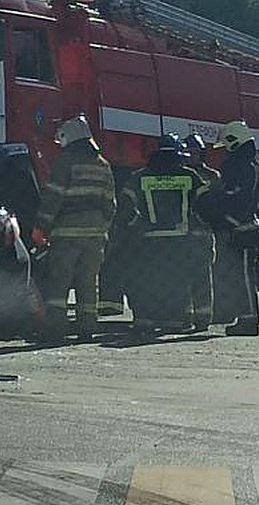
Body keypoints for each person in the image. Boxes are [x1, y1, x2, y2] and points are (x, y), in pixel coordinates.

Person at [31, 114, 117, 341]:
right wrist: (102, 229)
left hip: (67, 233)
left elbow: (53, 197)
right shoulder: (103, 165)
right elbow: (110, 203)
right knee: (88, 282)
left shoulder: (65, 162)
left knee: (59, 282)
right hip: (96, 234)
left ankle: (55, 329)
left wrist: (41, 227)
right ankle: (87, 328)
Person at [118, 134, 212, 335]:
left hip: (149, 240)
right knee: (178, 280)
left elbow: (124, 206)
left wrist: (136, 224)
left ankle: (147, 319)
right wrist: (203, 224)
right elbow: (207, 204)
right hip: (181, 239)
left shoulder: (140, 177)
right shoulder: (190, 176)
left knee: (150, 279)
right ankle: (178, 320)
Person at [197, 120, 259, 336]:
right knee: (239, 276)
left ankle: (248, 321)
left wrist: (214, 201)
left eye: (227, 145)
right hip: (241, 228)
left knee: (244, 277)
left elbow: (238, 198)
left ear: (234, 141)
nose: (225, 150)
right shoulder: (248, 162)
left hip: (242, 229)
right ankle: (244, 318)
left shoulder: (245, 165)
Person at [182, 134, 218, 330]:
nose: (193, 156)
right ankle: (185, 317)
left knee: (203, 278)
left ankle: (203, 318)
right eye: (190, 152)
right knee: (183, 278)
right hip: (183, 235)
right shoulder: (180, 175)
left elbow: (215, 206)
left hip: (203, 236)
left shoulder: (213, 176)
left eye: (196, 152)